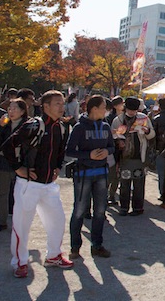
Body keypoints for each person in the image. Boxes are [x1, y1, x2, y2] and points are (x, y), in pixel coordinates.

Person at [2, 90, 73, 278]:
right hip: (28, 185)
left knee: (57, 221)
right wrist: (19, 168)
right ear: (46, 106)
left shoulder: (62, 127)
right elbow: (8, 146)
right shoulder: (33, 125)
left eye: (62, 103)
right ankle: (20, 262)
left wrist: (58, 167)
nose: (61, 107)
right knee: (22, 226)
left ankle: (54, 255)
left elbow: (60, 150)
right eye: (57, 103)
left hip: (49, 185)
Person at [66, 95, 115, 259]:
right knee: (79, 211)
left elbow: (112, 146)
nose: (106, 110)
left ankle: (97, 245)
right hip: (83, 174)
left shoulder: (106, 127)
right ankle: (75, 247)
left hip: (102, 174)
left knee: (100, 211)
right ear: (94, 109)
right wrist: (89, 155)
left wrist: (107, 151)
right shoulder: (79, 127)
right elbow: (70, 151)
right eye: (103, 107)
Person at [0, 98, 28, 234]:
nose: (11, 111)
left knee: (20, 194)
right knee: (3, 193)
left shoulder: (28, 125)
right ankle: (1, 222)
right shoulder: (4, 125)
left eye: (15, 108)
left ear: (23, 111)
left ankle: (20, 222)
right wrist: (0, 126)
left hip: (20, 164)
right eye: (9, 108)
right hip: (3, 163)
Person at [111, 97, 155, 216]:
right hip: (125, 156)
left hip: (139, 155)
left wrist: (146, 131)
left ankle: (138, 208)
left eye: (134, 111)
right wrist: (119, 140)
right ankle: (124, 207)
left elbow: (152, 135)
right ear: (126, 108)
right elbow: (113, 134)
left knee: (139, 184)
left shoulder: (143, 118)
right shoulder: (118, 119)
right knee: (124, 184)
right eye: (130, 110)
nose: (132, 113)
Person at [105, 96, 124, 205]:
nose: (123, 105)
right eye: (121, 103)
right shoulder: (110, 118)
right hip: (112, 148)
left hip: (122, 149)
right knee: (111, 173)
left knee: (118, 174)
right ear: (116, 105)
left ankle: (112, 195)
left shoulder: (124, 117)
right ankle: (105, 195)